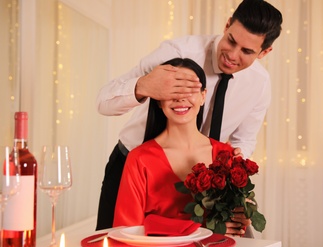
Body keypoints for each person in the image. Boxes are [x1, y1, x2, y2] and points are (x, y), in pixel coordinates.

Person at [96, 0, 283, 230]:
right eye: (231, 41)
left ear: (265, 52)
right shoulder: (178, 52)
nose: (232, 56)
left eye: (246, 51)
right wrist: (144, 85)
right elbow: (103, 102)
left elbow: (243, 140)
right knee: (112, 244)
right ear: (227, 25)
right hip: (132, 166)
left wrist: (232, 180)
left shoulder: (260, 84)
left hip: (203, 184)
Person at [113, 58, 250, 236]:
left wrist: (242, 217)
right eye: (172, 90)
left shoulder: (225, 155)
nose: (180, 97)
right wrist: (201, 229)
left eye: (189, 89)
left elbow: (237, 223)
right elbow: (126, 230)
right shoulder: (139, 159)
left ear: (203, 96)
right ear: (158, 100)